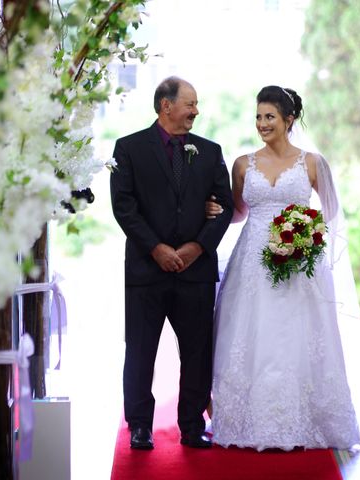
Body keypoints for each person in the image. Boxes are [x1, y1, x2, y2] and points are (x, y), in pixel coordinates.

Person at [206, 85, 360, 451]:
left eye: (269, 117)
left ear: (289, 120)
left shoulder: (311, 163)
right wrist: (218, 212)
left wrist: (306, 236)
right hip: (251, 263)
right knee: (252, 334)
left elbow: (332, 210)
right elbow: (240, 212)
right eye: (258, 117)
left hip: (297, 262)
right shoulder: (244, 164)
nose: (262, 124)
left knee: (294, 336)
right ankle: (248, 421)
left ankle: (304, 420)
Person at [110, 76, 233, 450]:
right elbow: (124, 207)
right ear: (166, 106)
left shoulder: (210, 151)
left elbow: (225, 206)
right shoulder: (127, 148)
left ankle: (192, 424)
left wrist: (197, 247)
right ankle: (140, 426)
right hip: (147, 270)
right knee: (141, 350)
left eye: (195, 105)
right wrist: (157, 248)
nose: (196, 111)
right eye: (190, 104)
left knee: (198, 352)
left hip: (195, 271)